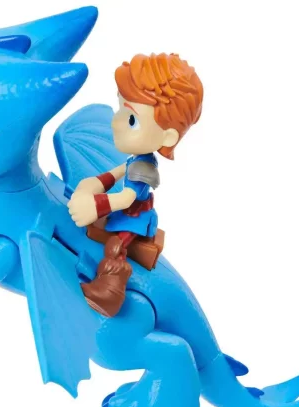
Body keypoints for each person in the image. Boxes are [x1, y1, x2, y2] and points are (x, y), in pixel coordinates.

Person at [68, 52, 204, 317]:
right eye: (120, 107)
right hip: (126, 212)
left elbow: (127, 198)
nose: (116, 121)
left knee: (115, 247)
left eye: (132, 119)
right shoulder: (135, 159)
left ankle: (110, 292)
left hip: (135, 219)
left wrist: (95, 205)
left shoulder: (145, 166)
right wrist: (97, 182)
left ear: (167, 137)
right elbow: (118, 172)